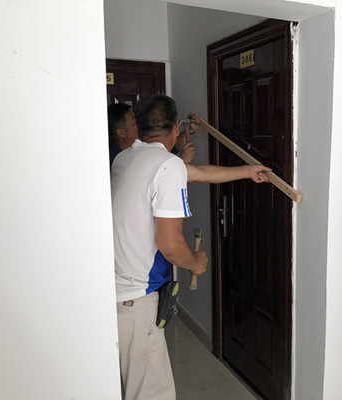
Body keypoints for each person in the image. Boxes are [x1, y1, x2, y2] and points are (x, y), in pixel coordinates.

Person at [111, 94, 270, 400]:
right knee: (151, 393)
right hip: (135, 296)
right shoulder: (167, 165)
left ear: (139, 128)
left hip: (117, 291)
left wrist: (248, 171)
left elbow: (200, 173)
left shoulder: (126, 157)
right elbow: (171, 245)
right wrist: (195, 263)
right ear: (175, 128)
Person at [107, 103, 196, 167]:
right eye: (135, 123)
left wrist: (188, 129)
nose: (140, 125)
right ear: (121, 133)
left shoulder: (142, 145)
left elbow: (172, 146)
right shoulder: (116, 161)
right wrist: (183, 162)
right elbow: (159, 178)